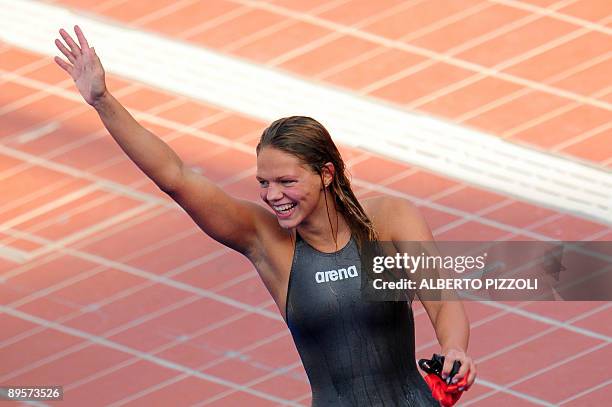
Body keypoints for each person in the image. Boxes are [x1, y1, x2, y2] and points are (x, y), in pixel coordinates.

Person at [54, 26, 477, 406]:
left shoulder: (387, 220)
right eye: (263, 182)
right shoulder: (267, 242)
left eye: (286, 182)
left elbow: (441, 301)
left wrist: (454, 348)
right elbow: (176, 178)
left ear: (326, 174)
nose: (272, 195)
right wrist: (102, 101)